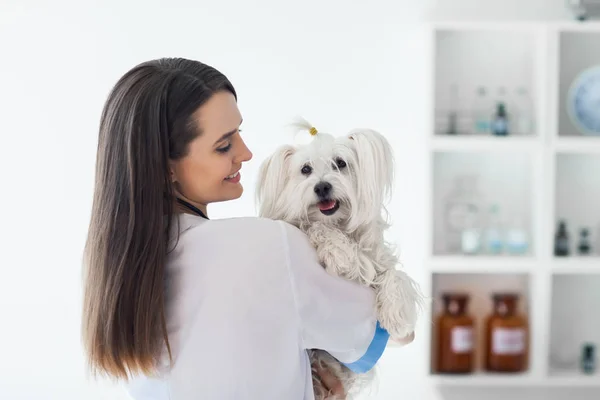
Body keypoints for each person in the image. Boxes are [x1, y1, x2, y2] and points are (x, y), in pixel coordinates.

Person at [81, 58, 413, 400]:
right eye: (224, 145)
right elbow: (387, 332)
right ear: (167, 168)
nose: (247, 153)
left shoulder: (118, 269)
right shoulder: (274, 244)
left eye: (240, 133)